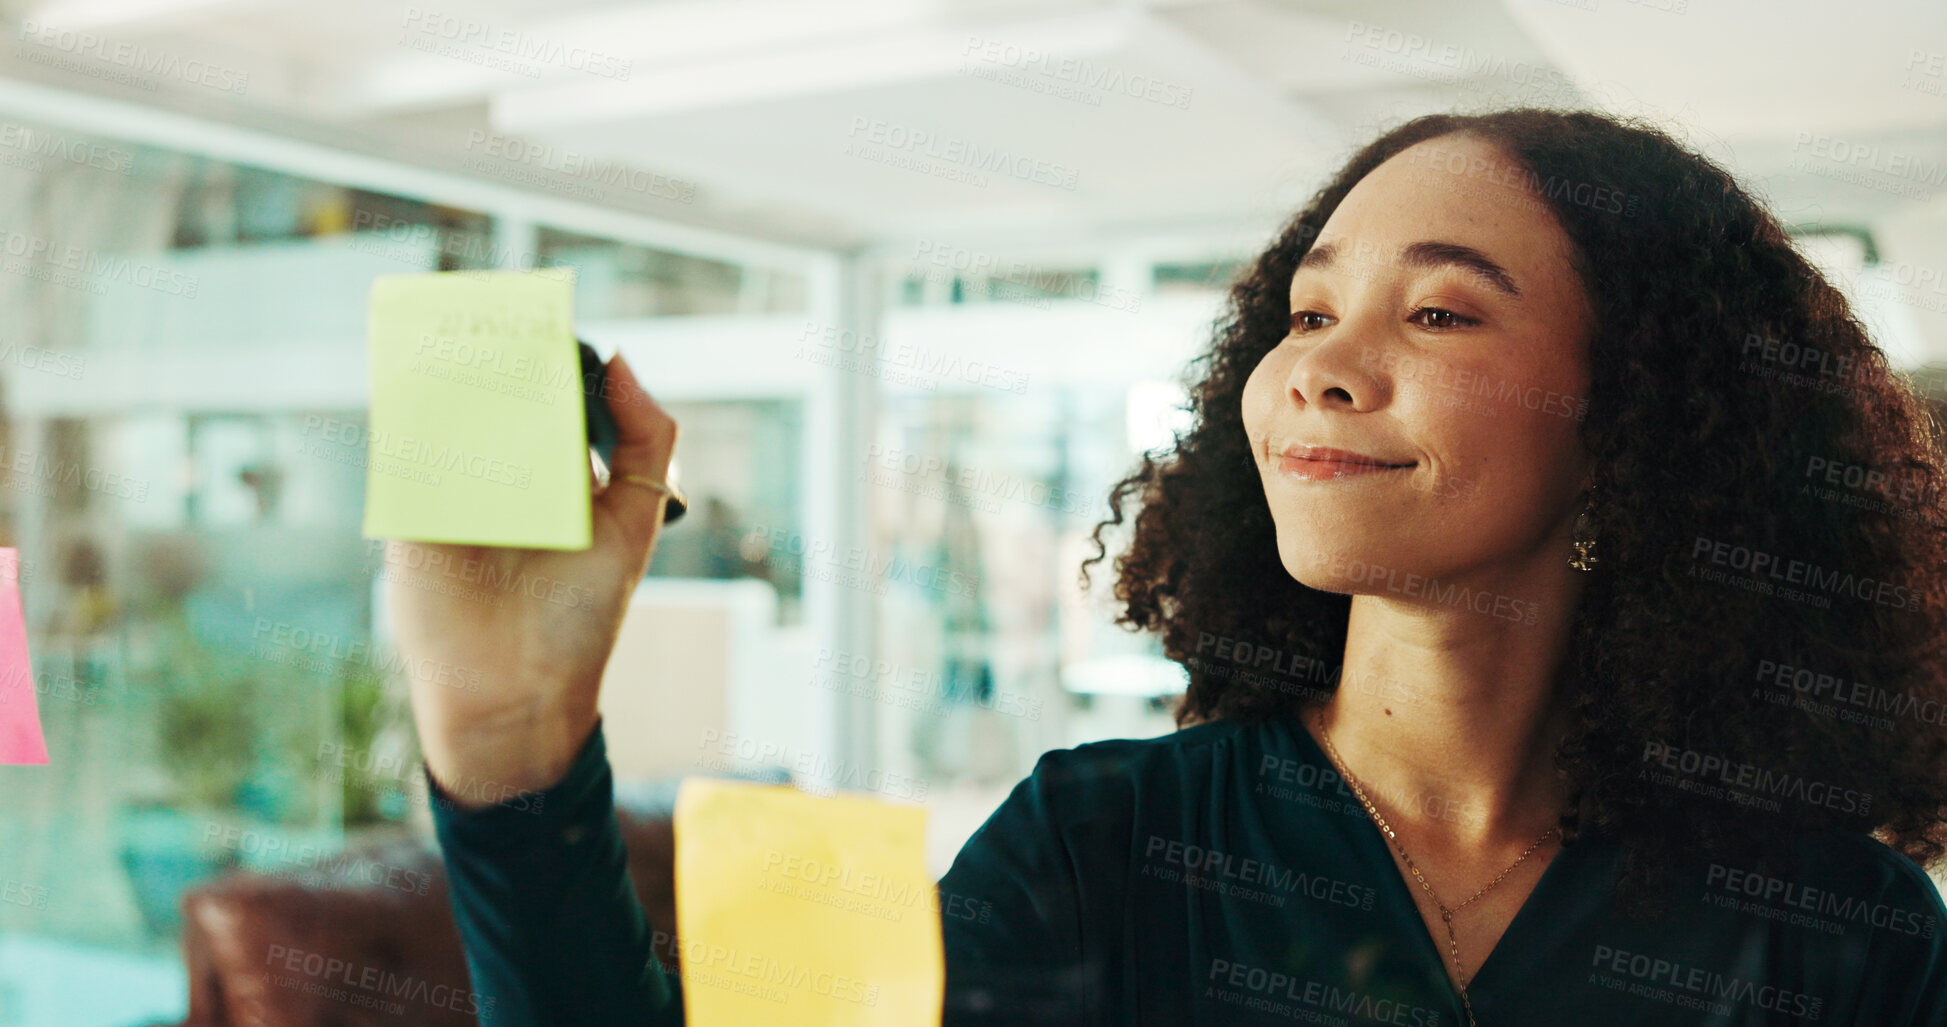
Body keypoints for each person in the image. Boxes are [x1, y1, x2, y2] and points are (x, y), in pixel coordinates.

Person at [388, 108, 1947, 1025]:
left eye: (1443, 312)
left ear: (1637, 420)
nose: (1323, 371)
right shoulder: (1105, 843)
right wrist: (511, 754)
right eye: (1309, 311)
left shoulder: (1836, 932)